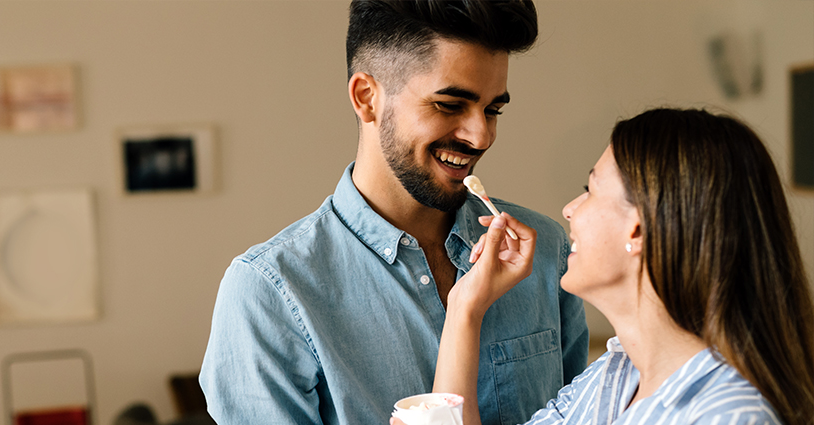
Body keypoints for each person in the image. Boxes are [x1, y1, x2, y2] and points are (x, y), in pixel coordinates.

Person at [200, 1, 590, 424]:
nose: (481, 135)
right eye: (449, 105)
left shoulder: (546, 250)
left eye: (493, 109)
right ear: (366, 98)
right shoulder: (269, 293)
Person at [419, 108, 814, 425]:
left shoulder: (731, 415)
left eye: (590, 189)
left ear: (638, 229)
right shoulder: (613, 375)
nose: (569, 210)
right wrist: (465, 308)